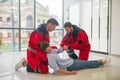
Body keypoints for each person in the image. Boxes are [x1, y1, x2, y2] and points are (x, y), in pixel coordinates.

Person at [38, 42, 110, 75]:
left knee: (85, 62)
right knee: (87, 64)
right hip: (70, 66)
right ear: (44, 51)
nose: (50, 49)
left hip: (70, 61)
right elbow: (57, 69)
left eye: (49, 47)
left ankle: (98, 61)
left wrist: (64, 48)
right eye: (48, 49)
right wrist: (70, 73)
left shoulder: (52, 51)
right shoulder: (50, 58)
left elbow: (58, 50)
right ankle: (103, 62)